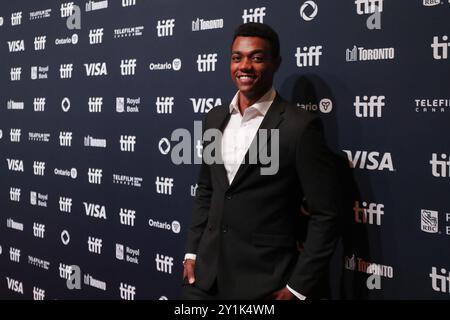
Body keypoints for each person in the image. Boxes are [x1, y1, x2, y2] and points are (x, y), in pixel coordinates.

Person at [183, 22, 340, 300]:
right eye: (237, 57)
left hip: (264, 285)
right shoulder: (214, 118)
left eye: (256, 58)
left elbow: (326, 214)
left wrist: (297, 288)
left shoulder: (300, 126)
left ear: (275, 63)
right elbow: (207, 190)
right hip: (205, 281)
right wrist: (192, 252)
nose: (245, 66)